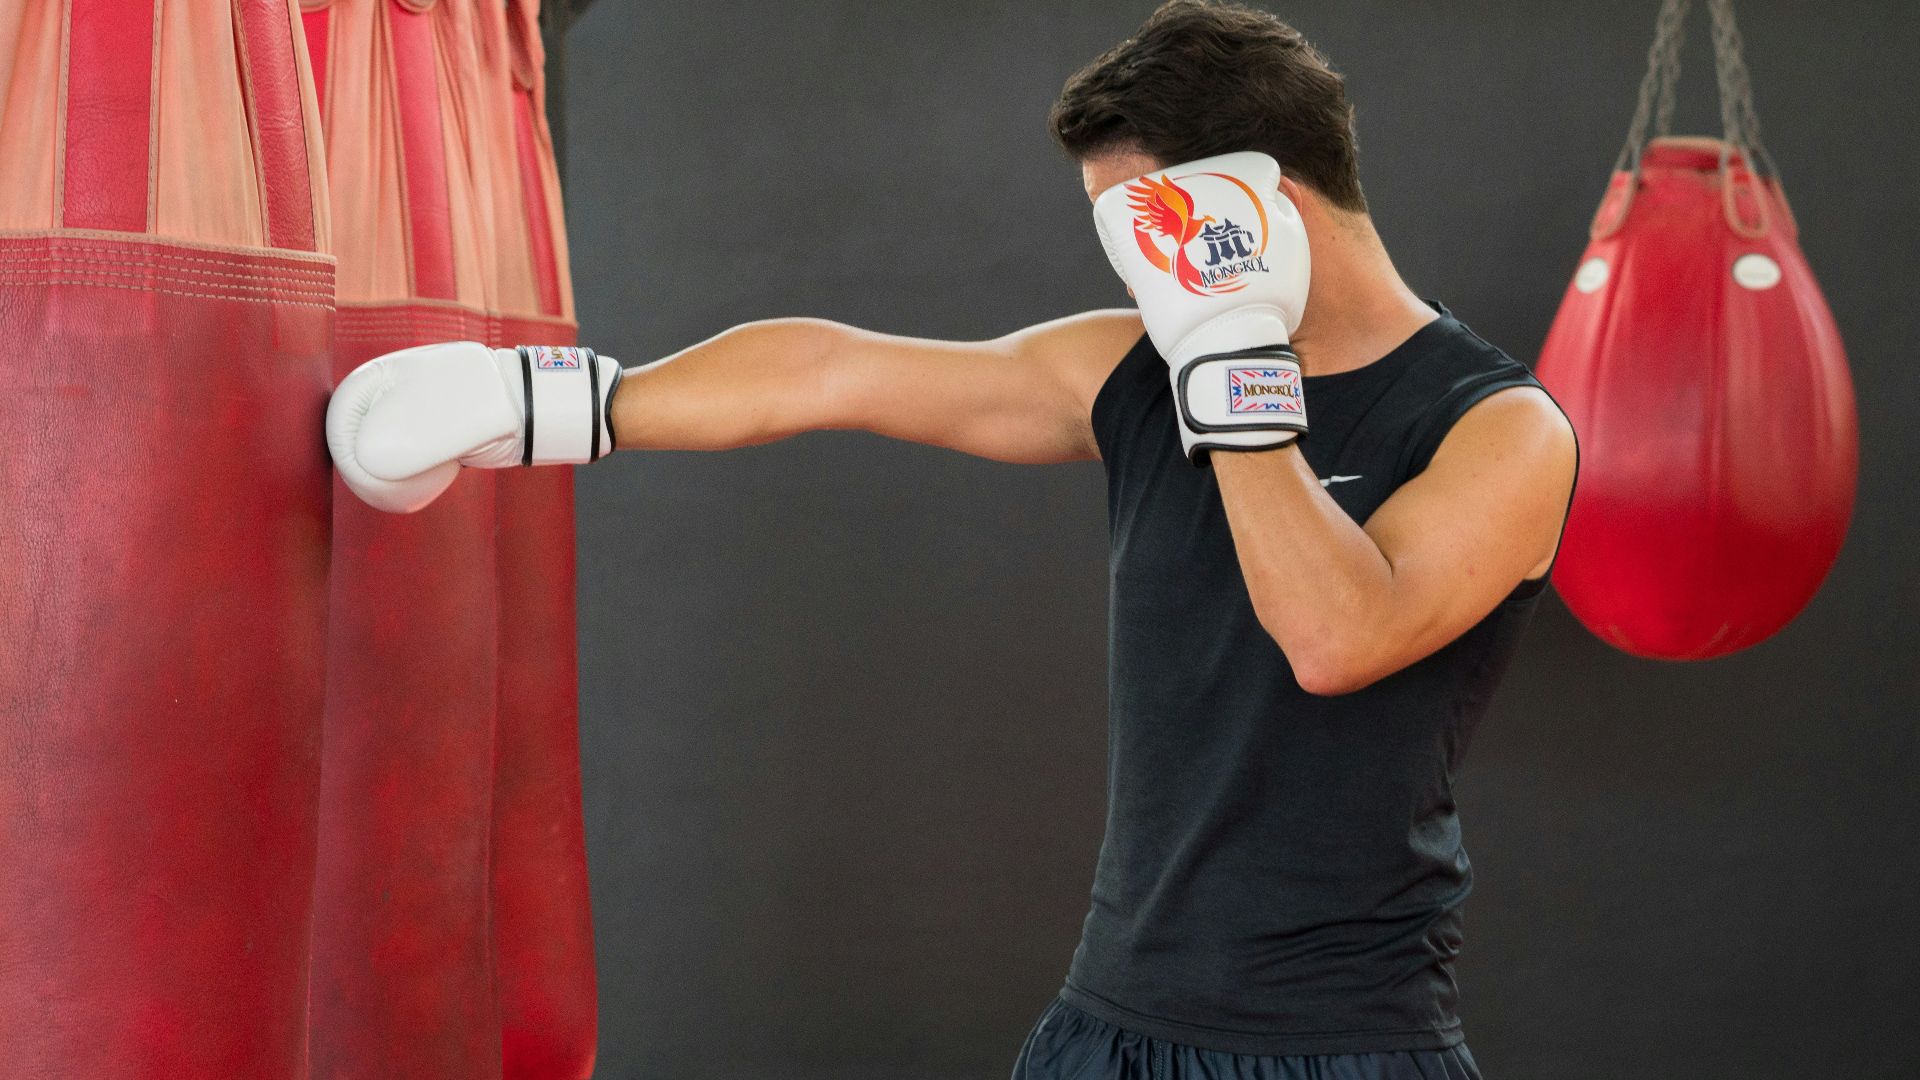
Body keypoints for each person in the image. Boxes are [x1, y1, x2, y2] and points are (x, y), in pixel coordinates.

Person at [326, 2, 1576, 1076]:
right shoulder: (1131, 373)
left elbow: (1333, 637)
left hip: (1340, 1041)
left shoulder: (1498, 431)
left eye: (1152, 238)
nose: (1148, 284)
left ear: (1264, 209)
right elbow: (838, 369)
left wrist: (1235, 360)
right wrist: (559, 404)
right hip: (1108, 1028)